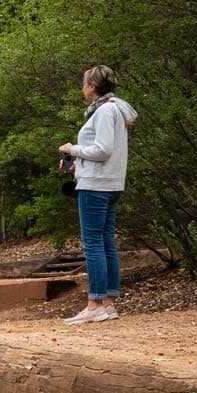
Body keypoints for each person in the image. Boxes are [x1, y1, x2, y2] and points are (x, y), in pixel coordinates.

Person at [59, 64, 137, 324]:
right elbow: (106, 151)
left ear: (92, 87)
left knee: (92, 243)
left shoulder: (104, 111)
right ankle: (107, 303)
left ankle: (94, 304)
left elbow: (102, 149)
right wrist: (76, 163)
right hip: (111, 183)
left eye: (84, 84)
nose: (83, 89)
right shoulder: (115, 110)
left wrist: (74, 149)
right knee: (105, 241)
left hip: (96, 186)